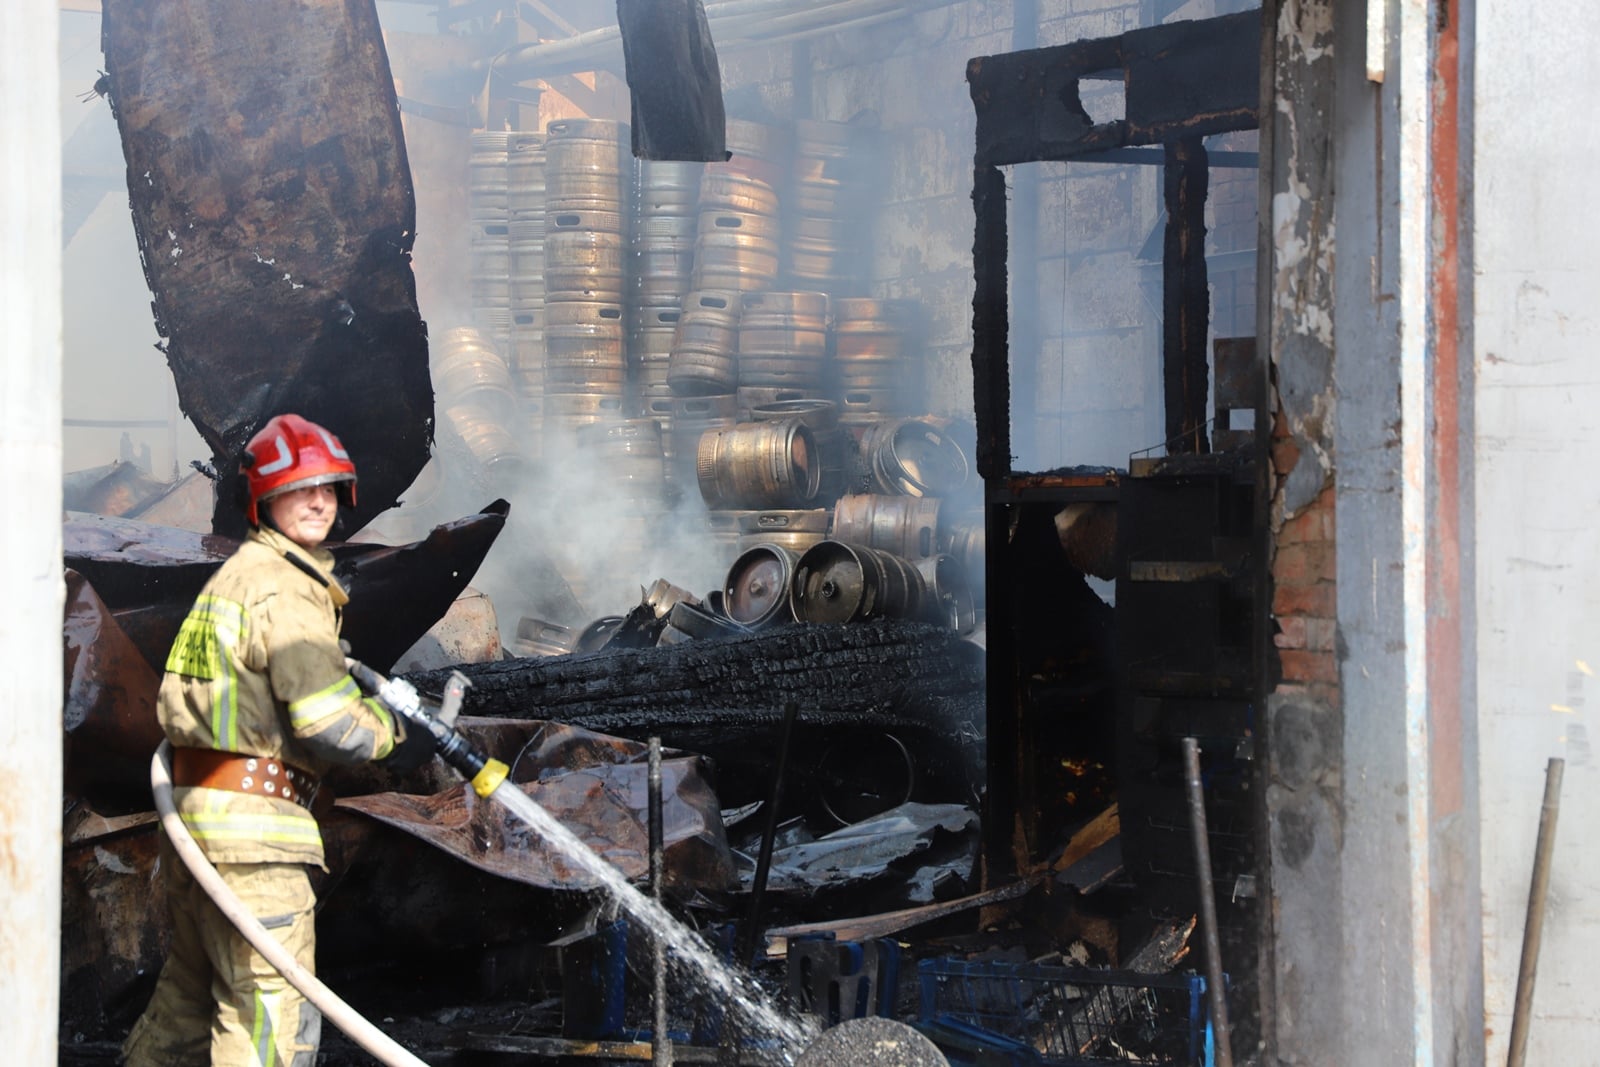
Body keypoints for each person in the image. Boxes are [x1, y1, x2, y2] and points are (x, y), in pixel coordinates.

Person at [124, 413, 430, 1067]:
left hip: (198, 823)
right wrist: (394, 738)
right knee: (269, 1025)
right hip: (254, 844)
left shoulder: (233, 580)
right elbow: (329, 721)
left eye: (328, 487)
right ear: (263, 500)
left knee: (186, 1009)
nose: (318, 500)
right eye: (299, 488)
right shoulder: (288, 590)